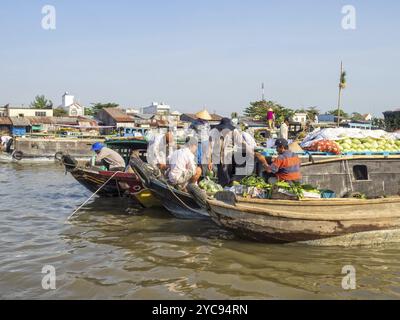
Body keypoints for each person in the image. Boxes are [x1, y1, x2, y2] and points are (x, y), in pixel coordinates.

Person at [208, 118, 242, 186]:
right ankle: (222, 188)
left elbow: (240, 143)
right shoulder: (213, 132)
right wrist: (209, 161)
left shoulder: (234, 131)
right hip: (218, 156)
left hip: (230, 155)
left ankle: (229, 187)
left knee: (229, 175)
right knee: (222, 176)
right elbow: (210, 147)